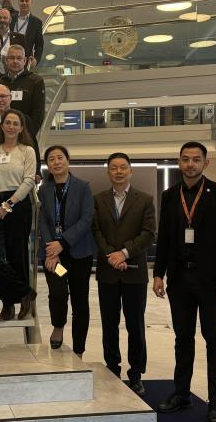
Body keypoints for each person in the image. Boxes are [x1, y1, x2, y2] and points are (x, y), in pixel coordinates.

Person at [153, 141, 216, 422]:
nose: (190, 164)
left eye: (196, 159)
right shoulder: (169, 196)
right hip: (179, 280)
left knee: (213, 339)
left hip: (211, 280)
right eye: (185, 159)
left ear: (205, 163)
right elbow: (164, 238)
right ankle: (181, 393)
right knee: (182, 339)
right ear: (179, 162)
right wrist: (158, 274)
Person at [92, 153, 156, 395]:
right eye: (113, 168)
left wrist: (125, 253)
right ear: (108, 173)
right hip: (108, 272)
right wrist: (112, 255)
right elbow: (95, 231)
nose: (118, 171)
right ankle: (112, 368)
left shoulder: (145, 200)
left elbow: (149, 233)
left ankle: (136, 372)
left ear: (131, 171)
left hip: (134, 274)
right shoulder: (98, 200)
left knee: (135, 325)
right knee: (109, 324)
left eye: (123, 167)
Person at [39, 145, 97, 357]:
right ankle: (58, 325)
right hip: (55, 258)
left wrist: (62, 242)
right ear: (48, 164)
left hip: (79, 255)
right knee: (58, 292)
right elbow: (43, 221)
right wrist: (51, 249)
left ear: (67, 161)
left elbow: (87, 219)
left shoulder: (83, 187)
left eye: (60, 157)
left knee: (80, 299)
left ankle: (79, 348)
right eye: (51, 159)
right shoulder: (43, 189)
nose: (56, 162)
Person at [0, 109, 37, 320]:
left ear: (21, 128)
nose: (11, 126)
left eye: (16, 123)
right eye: (8, 122)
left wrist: (8, 205)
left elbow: (29, 181)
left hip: (17, 203)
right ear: (2, 126)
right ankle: (24, 291)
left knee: (16, 255)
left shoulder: (27, 151)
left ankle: (10, 304)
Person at [3, 44, 46, 136]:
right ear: (6, 60)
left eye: (19, 58)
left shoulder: (36, 81)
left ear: (25, 60)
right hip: (3, 136)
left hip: (26, 136)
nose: (15, 61)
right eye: (12, 58)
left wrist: (27, 135)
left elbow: (38, 114)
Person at [11, 0, 44, 68]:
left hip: (25, 60)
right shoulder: (11, 18)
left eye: (27, 1)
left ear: (31, 3)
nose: (24, 3)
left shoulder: (37, 22)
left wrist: (36, 59)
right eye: (22, 1)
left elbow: (39, 45)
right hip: (10, 57)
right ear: (18, 3)